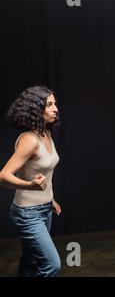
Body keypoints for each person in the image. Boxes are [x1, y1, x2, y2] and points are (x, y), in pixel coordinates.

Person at [0, 86, 62, 277]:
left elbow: (42, 172)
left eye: (55, 104)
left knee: (31, 260)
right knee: (52, 265)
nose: (55, 109)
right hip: (28, 213)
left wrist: (50, 199)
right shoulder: (30, 140)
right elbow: (4, 175)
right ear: (36, 109)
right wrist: (30, 186)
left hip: (44, 209)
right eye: (49, 105)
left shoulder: (46, 134)